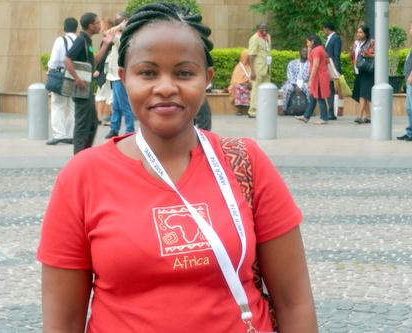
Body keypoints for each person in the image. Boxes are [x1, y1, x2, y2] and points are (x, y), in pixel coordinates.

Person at [37, 3, 318, 332]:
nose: (166, 86)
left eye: (184, 72)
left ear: (207, 79)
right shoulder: (83, 177)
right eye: (148, 73)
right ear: (124, 79)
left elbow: (294, 300)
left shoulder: (246, 163)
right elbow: (63, 322)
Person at [63, 12, 113, 154]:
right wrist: (77, 79)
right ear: (91, 25)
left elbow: (94, 62)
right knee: (82, 125)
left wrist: (106, 44)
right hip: (81, 89)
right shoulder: (81, 40)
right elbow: (67, 60)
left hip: (87, 89)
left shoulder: (87, 41)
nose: (99, 25)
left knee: (92, 124)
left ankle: (84, 154)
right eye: (97, 23)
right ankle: (79, 157)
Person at [46, 17, 78, 146]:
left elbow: (54, 61)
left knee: (58, 105)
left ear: (64, 28)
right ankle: (71, 135)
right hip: (76, 76)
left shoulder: (60, 40)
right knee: (73, 106)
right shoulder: (80, 40)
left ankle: (59, 135)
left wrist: (49, 72)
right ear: (76, 28)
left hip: (61, 75)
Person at [104, 12, 135, 139]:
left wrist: (120, 27)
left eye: (120, 22)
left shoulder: (122, 38)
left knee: (123, 105)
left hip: (118, 77)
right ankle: (114, 128)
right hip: (114, 76)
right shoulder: (121, 37)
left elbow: (107, 33)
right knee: (116, 105)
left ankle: (129, 130)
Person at [295, 34, 331, 124]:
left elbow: (315, 65)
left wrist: (310, 80)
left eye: (308, 42)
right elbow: (310, 59)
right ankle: (306, 116)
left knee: (319, 97)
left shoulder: (317, 50)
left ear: (313, 42)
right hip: (319, 76)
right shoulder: (320, 49)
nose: (306, 44)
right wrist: (309, 49)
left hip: (319, 77)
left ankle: (324, 118)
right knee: (313, 97)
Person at [350, 25, 374, 124]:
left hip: (367, 70)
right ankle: (368, 116)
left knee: (363, 94)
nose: (358, 34)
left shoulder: (371, 42)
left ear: (365, 33)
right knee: (361, 93)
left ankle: (360, 116)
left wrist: (369, 55)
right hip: (358, 70)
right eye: (358, 32)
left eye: (361, 32)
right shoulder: (356, 43)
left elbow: (379, 54)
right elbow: (353, 56)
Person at [247, 22, 271, 118]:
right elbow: (251, 55)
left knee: (265, 90)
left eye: (265, 28)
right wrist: (252, 71)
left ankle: (263, 110)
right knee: (256, 89)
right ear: (258, 28)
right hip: (258, 68)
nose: (264, 30)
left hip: (268, 68)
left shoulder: (268, 37)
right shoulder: (254, 38)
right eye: (262, 28)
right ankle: (253, 111)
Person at [93, 19, 113, 125]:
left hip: (106, 72)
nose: (100, 28)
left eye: (101, 26)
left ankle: (102, 117)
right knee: (105, 94)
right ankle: (102, 117)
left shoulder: (108, 41)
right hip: (106, 72)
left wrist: (98, 70)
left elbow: (103, 58)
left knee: (104, 94)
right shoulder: (107, 40)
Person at [281, 47, 310, 115]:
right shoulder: (292, 63)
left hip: (304, 82)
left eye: (307, 52)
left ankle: (309, 110)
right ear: (300, 52)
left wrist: (300, 84)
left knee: (309, 88)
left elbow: (308, 76)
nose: (305, 53)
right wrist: (295, 85)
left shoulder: (310, 64)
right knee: (288, 88)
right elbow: (290, 75)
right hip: (292, 83)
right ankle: (284, 109)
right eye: (303, 51)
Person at [322, 21, 342, 120]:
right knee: (330, 90)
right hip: (329, 67)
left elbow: (336, 55)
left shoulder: (336, 38)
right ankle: (331, 112)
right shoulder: (330, 38)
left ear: (327, 29)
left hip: (332, 68)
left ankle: (331, 113)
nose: (323, 31)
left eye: (323, 29)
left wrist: (336, 70)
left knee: (331, 91)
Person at [397, 21, 412, 141]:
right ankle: (410, 131)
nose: (410, 30)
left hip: (411, 81)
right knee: (409, 108)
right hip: (409, 82)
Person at [227, 49, 251, 115]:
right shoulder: (238, 67)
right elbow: (234, 80)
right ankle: (239, 109)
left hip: (249, 85)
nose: (248, 59)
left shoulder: (252, 66)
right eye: (247, 57)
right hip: (240, 85)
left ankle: (250, 109)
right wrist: (243, 83)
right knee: (237, 87)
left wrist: (250, 83)